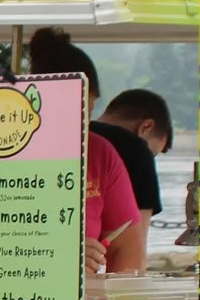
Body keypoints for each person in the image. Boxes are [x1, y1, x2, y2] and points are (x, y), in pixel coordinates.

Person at [26, 29, 145, 274]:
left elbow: (126, 247)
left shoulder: (99, 154)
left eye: (87, 113)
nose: (79, 125)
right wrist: (56, 256)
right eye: (68, 114)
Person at [95, 88, 173, 226]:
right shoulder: (137, 152)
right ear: (145, 127)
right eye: (152, 154)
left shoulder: (71, 136)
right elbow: (136, 244)